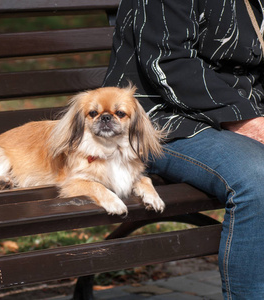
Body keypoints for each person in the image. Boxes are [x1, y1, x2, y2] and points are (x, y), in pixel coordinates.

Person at [103, 0, 264, 299]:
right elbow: (169, 62)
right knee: (258, 178)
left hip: (239, 110)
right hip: (160, 120)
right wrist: (248, 121)